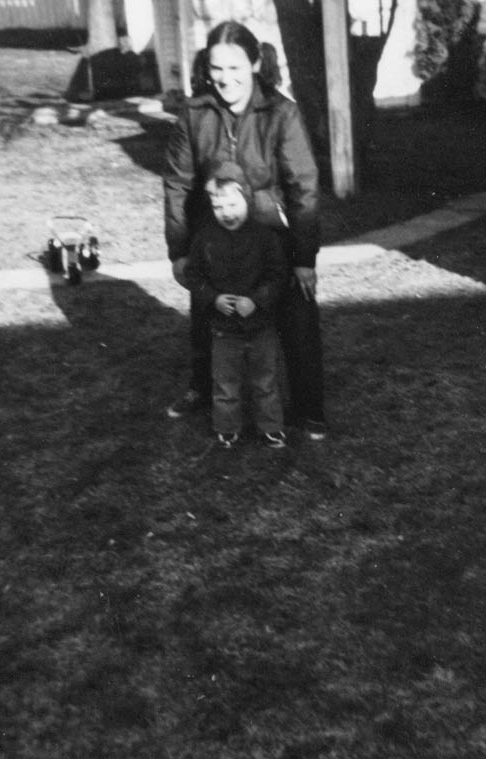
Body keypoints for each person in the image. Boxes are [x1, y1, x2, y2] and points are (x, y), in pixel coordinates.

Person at [163, 20, 327, 441]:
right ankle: (203, 389)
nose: (225, 79)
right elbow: (178, 184)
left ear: (255, 63)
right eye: (216, 68)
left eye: (235, 67)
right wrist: (180, 250)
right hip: (215, 239)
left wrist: (304, 259)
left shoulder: (282, 112)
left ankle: (309, 408)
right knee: (208, 315)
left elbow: (303, 187)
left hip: (272, 238)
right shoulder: (194, 113)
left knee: (297, 319)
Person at [183, 160, 287, 449]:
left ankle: (271, 426)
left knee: (265, 381)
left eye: (232, 204)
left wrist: (257, 301)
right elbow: (193, 275)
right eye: (218, 207)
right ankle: (227, 427)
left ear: (247, 199)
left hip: (261, 326)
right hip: (223, 329)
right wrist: (213, 298)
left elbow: (278, 275)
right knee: (225, 383)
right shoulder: (205, 238)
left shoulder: (264, 237)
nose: (226, 213)